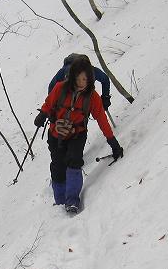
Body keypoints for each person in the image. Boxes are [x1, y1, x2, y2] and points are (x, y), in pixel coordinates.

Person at [34, 55, 123, 213]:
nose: (84, 83)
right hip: (56, 133)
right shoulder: (60, 87)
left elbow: (102, 119)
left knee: (74, 161)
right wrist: (43, 114)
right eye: (81, 79)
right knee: (58, 166)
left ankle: (72, 200)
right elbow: (49, 103)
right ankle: (60, 202)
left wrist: (112, 141)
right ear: (73, 76)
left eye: (87, 80)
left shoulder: (93, 97)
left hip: (77, 133)